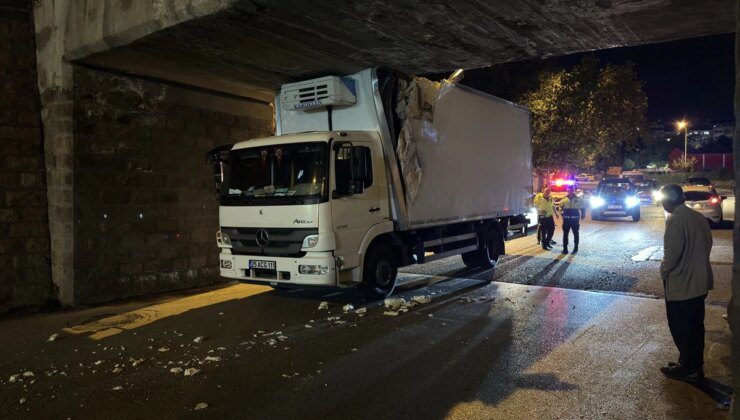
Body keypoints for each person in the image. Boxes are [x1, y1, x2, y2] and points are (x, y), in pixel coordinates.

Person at [658, 183, 713, 381]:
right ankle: (692, 364)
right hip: (700, 281)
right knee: (696, 327)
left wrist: (663, 271)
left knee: (682, 327)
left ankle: (689, 368)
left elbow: (671, 256)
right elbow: (708, 245)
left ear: (668, 201)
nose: (662, 205)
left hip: (682, 285)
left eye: (663, 201)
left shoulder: (676, 220)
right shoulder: (698, 217)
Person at [559, 185, 585, 254]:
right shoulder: (564, 199)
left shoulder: (578, 199)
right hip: (566, 220)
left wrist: (583, 215)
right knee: (565, 234)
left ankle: (575, 248)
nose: (570, 191)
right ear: (567, 190)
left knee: (576, 234)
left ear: (573, 190)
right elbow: (560, 207)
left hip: (575, 220)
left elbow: (583, 208)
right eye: (569, 190)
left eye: (571, 190)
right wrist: (560, 210)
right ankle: (565, 249)